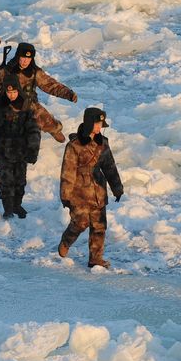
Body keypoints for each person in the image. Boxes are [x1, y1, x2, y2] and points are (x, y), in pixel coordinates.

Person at [58, 107, 123, 268]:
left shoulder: (103, 143)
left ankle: (95, 258)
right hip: (78, 192)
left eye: (101, 124)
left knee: (99, 226)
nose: (100, 126)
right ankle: (66, 241)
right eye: (97, 123)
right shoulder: (74, 145)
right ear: (88, 123)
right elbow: (68, 171)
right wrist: (65, 195)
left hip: (98, 191)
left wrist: (117, 188)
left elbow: (109, 166)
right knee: (80, 223)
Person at [0, 43, 77, 143]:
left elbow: (51, 85)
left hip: (29, 103)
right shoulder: (6, 71)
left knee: (45, 118)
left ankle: (54, 130)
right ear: (18, 56)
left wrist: (68, 94)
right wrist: (1, 98)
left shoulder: (34, 72)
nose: (25, 61)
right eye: (23, 57)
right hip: (9, 104)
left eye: (28, 58)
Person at [0, 75, 41, 219]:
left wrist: (33, 150)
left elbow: (34, 129)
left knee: (20, 180)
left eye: (14, 92)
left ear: (18, 90)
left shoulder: (26, 104)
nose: (11, 95)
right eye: (9, 92)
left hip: (21, 149)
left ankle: (17, 205)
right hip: (2, 149)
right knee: (6, 180)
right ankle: (8, 208)